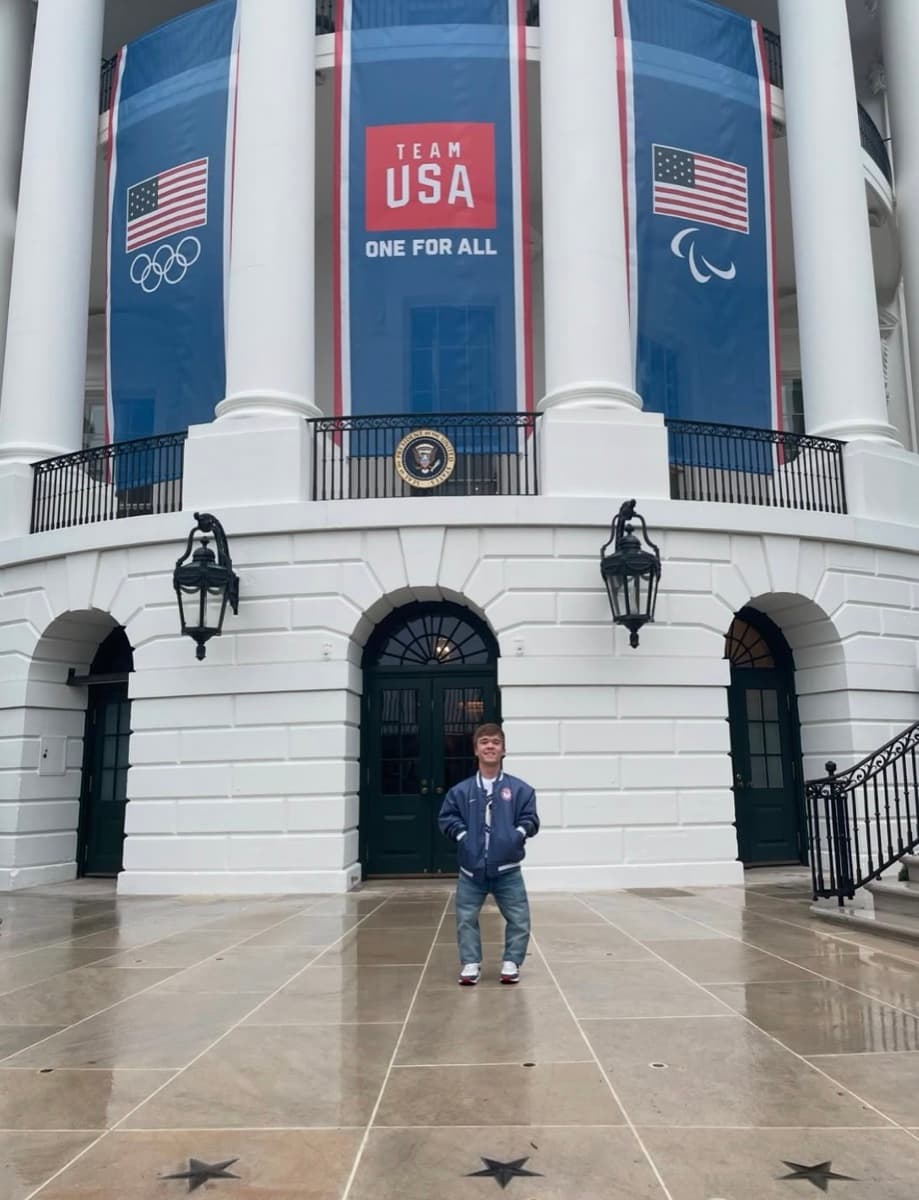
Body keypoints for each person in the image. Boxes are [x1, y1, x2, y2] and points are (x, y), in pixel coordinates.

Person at [438, 723, 539, 985]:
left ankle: (511, 962)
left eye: (495, 742)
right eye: (484, 742)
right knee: (466, 919)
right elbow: (447, 818)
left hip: (508, 869)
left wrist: (515, 835)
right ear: (476, 750)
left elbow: (531, 820)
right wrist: (463, 837)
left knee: (519, 918)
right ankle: (471, 963)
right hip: (471, 870)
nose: (490, 746)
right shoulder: (460, 791)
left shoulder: (522, 790)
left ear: (504, 750)